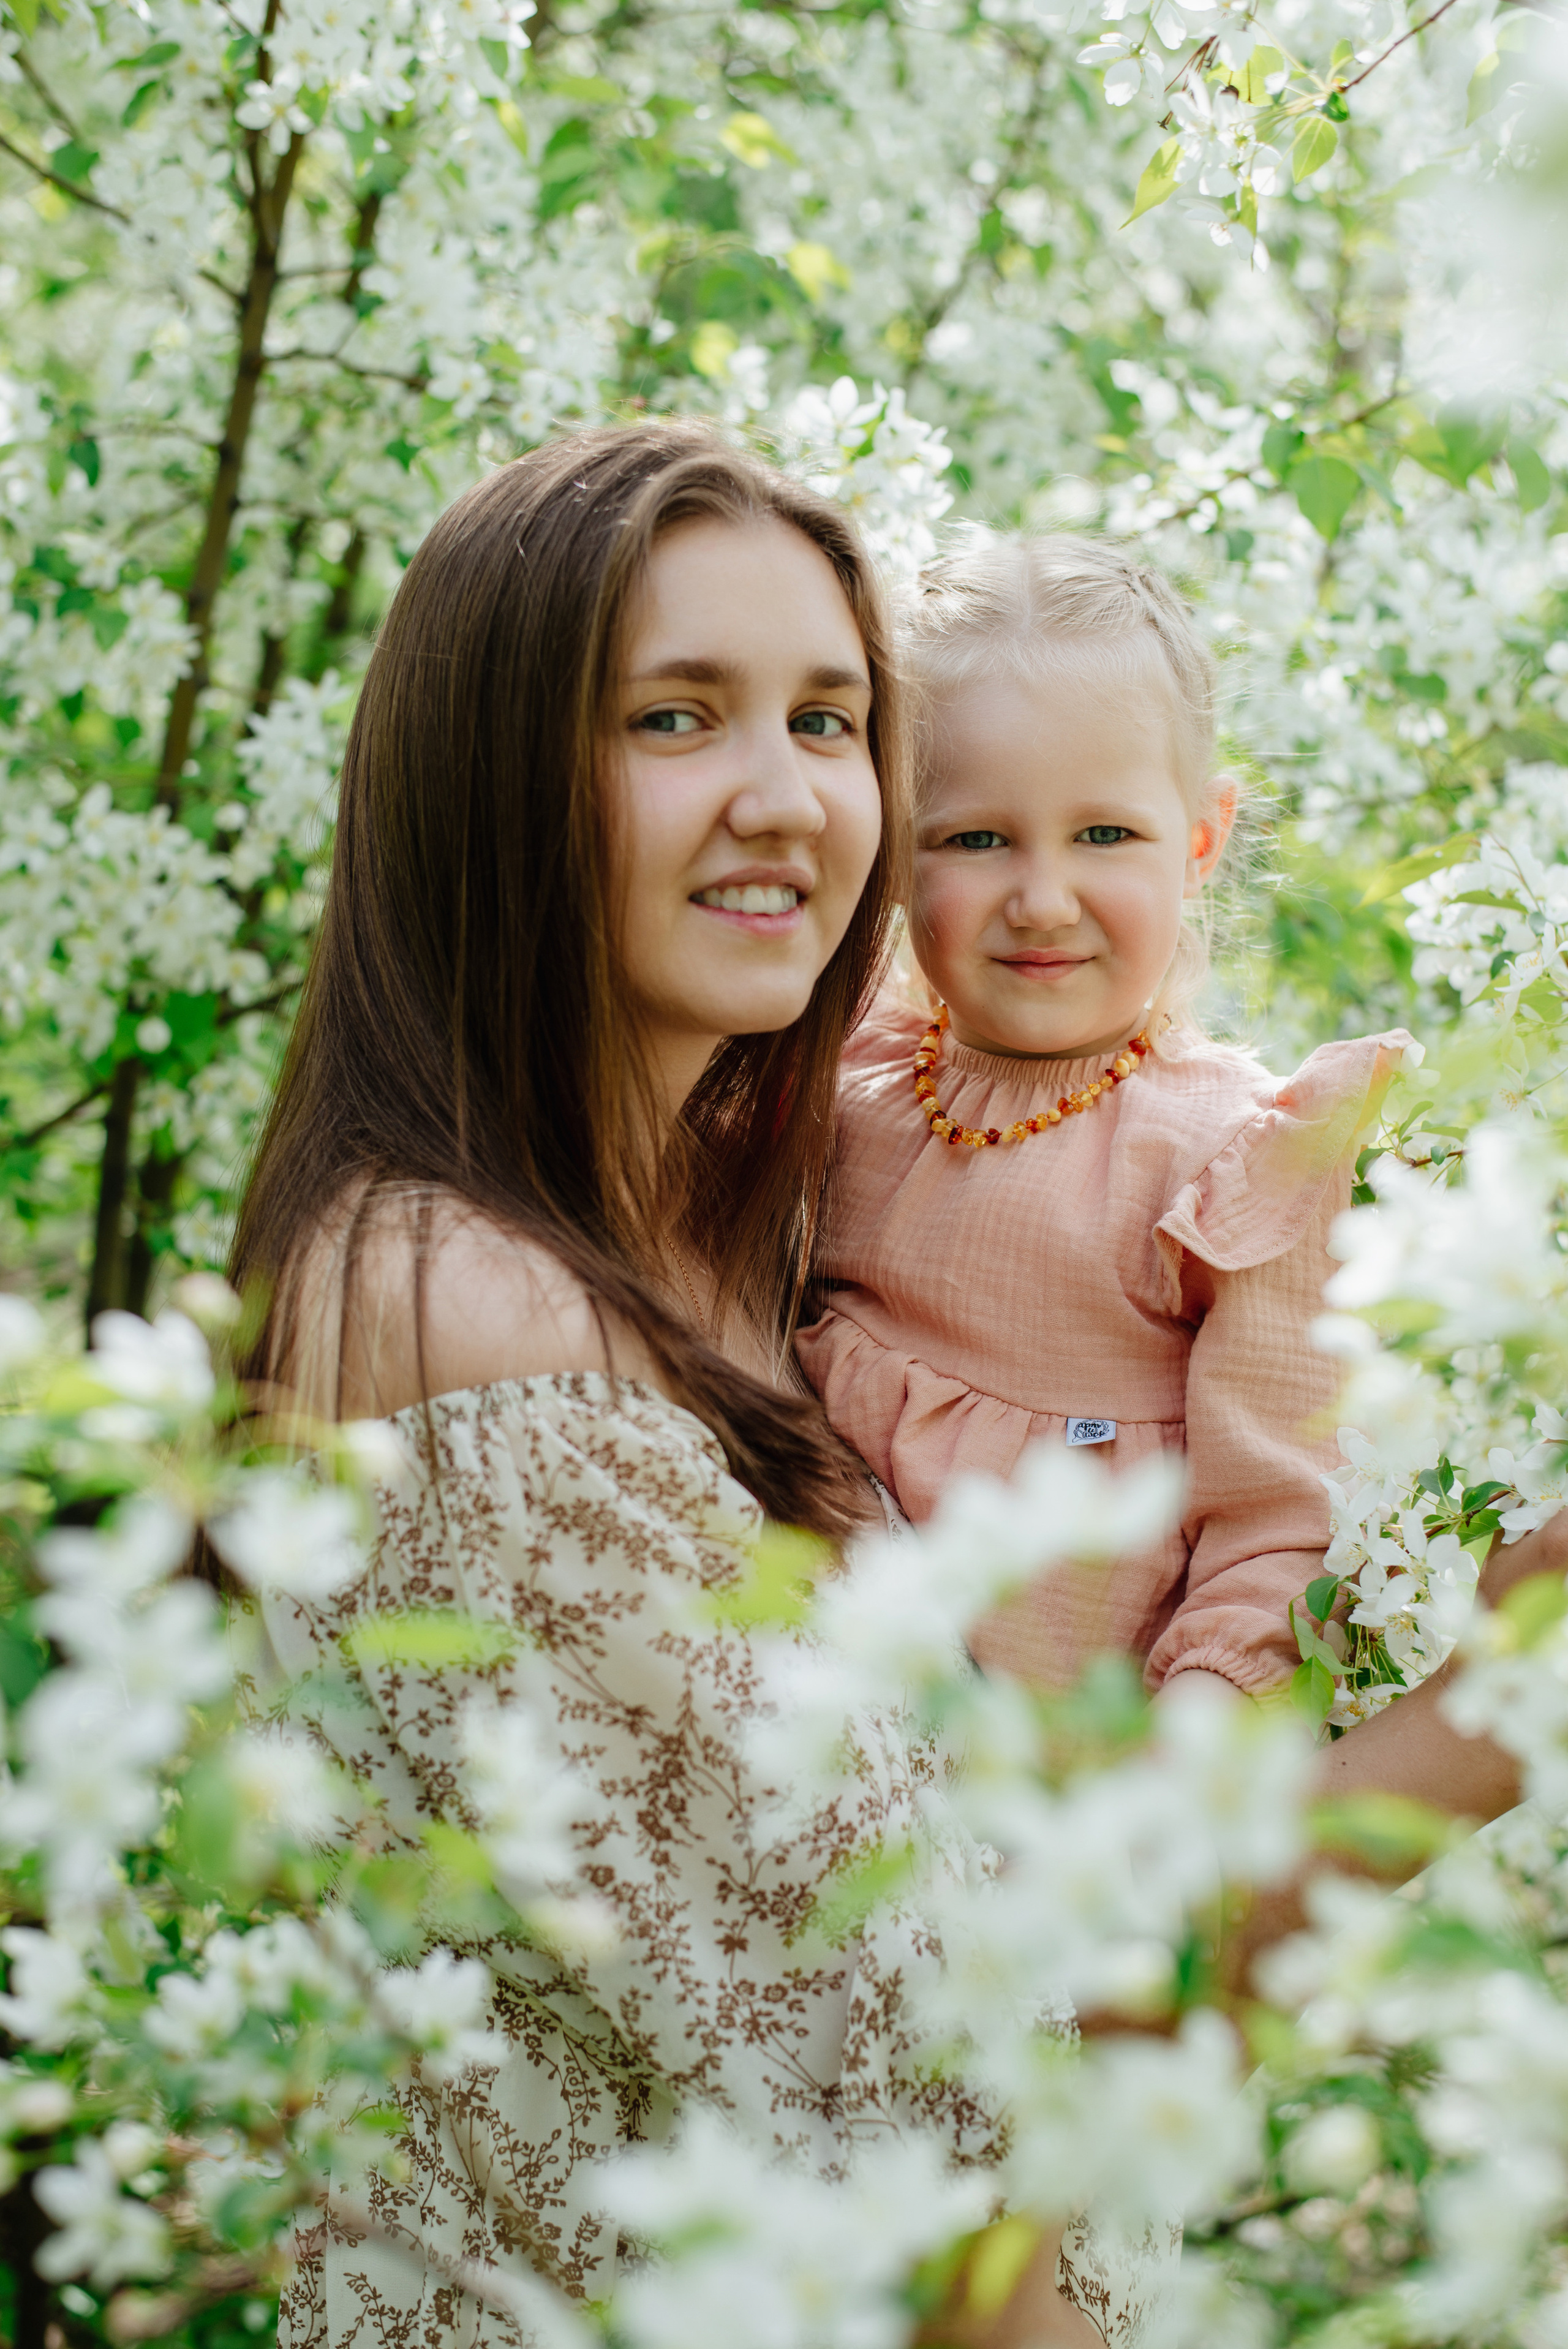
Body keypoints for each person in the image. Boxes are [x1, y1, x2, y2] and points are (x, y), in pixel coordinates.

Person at [231, 431, 1116, 2347]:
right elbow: (923, 2138)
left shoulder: (745, 1251)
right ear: (492, 780)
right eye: (674, 718)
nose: (785, 798)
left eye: (827, 718)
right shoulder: (463, 1320)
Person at [796, 534, 1416, 1702]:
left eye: (1104, 836)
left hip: (1040, 1787)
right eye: (975, 839)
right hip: (803, 1705)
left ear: (1201, 842)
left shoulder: (1235, 1159)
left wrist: (1187, 1759)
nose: (1041, 897)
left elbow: (1275, 1523)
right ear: (890, 847)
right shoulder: (848, 1076)